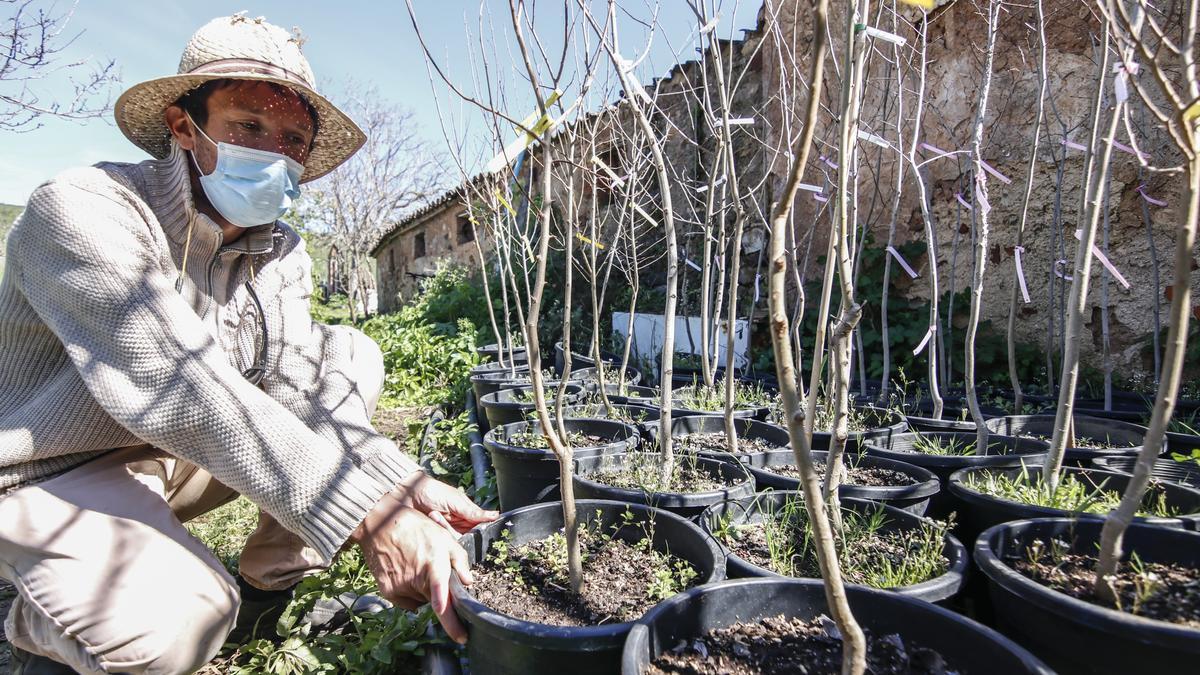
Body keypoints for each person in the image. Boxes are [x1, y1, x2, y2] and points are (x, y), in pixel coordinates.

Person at [0, 14, 496, 674]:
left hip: (172, 455)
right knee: (181, 617)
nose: (275, 152)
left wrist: (402, 483)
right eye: (249, 126)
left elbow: (299, 392)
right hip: (53, 468)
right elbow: (179, 388)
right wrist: (369, 516)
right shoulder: (85, 210)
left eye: (293, 138)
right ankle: (39, 624)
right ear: (183, 125)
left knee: (348, 356)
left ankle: (263, 595)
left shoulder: (281, 253)